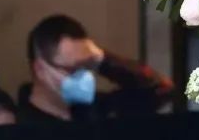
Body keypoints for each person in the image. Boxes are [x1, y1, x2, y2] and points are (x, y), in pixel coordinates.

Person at [17, 14, 174, 123]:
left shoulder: (98, 110)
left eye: (87, 66)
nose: (83, 76)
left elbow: (163, 90)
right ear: (41, 70)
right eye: (74, 69)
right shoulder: (19, 128)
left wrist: (101, 59)